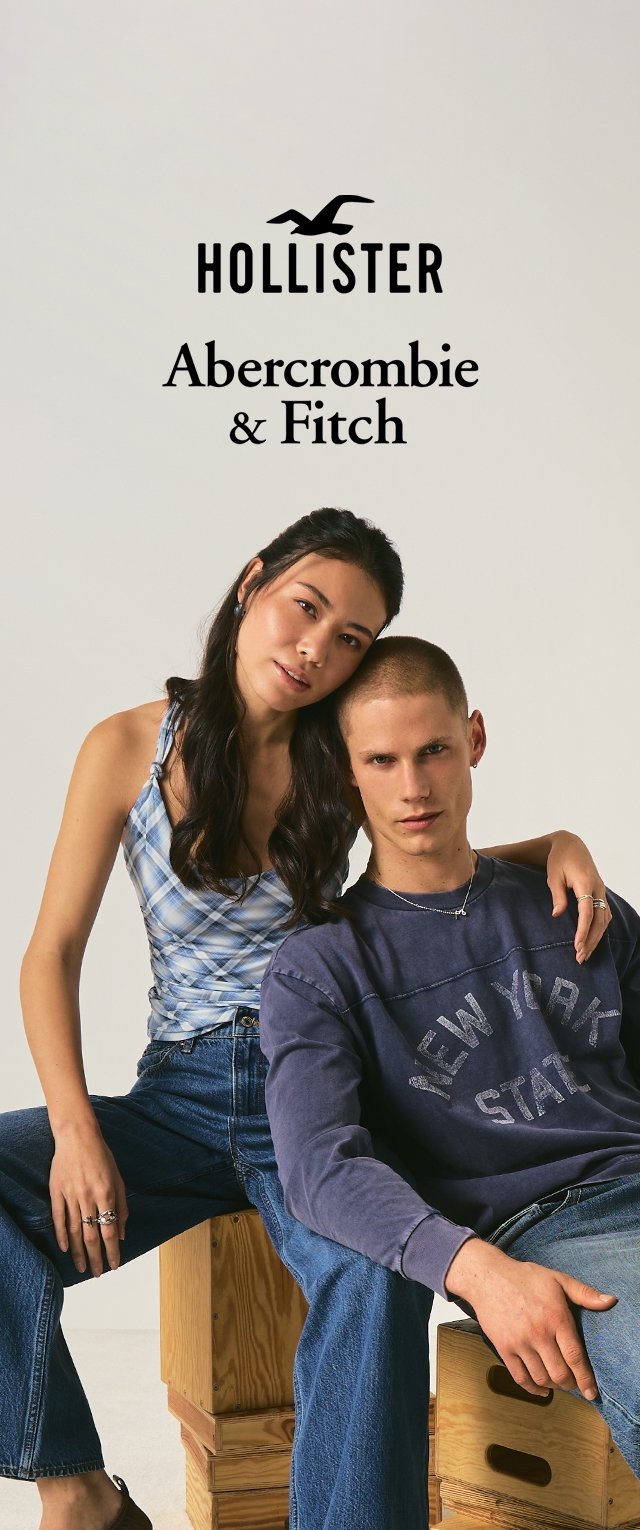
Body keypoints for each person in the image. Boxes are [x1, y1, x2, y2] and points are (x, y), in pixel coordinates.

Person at [4, 511, 609, 1530]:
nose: (313, 649)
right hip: (182, 1095)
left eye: (351, 640)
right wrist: (73, 1130)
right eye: (306, 607)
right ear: (252, 584)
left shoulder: (339, 751)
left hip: (320, 1081)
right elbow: (49, 956)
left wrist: (553, 839)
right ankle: (76, 1487)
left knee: (376, 1274)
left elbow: (424, 851)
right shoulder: (125, 746)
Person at [260, 634, 640, 1483]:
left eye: (433, 750)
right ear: (346, 771)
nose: (414, 786)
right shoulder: (320, 967)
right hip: (553, 1227)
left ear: (473, 738)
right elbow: (319, 1169)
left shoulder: (574, 903)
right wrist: (479, 1271)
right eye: (382, 759)